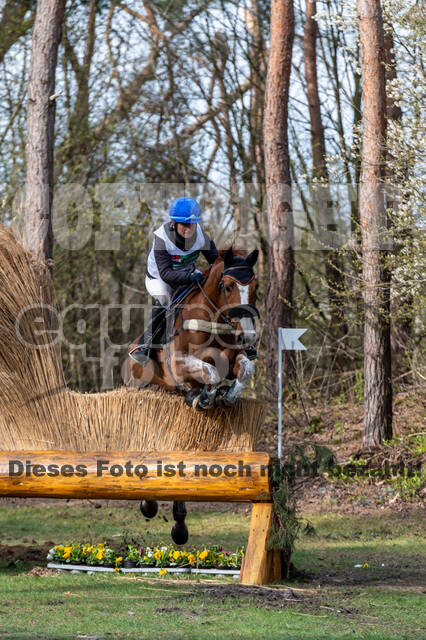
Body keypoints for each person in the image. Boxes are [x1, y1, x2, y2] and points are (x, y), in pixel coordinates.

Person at [133, 197, 218, 362]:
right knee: (165, 298)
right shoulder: (161, 239)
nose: (189, 229)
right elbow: (166, 274)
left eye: (192, 224)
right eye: (184, 225)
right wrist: (190, 276)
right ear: (174, 223)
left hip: (187, 275)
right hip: (159, 278)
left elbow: (215, 260)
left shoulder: (201, 236)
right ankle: (146, 346)